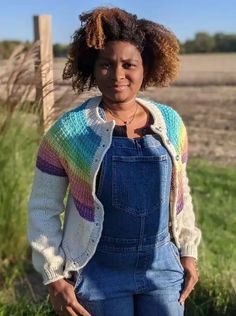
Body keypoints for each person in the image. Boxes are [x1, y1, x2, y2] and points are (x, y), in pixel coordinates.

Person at [28, 6, 201, 316]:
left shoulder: (171, 124)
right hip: (97, 272)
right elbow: (43, 207)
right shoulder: (68, 132)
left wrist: (188, 251)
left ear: (145, 67)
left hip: (162, 266)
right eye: (106, 64)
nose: (118, 75)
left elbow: (181, 194)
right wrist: (53, 276)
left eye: (128, 64)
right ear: (93, 69)